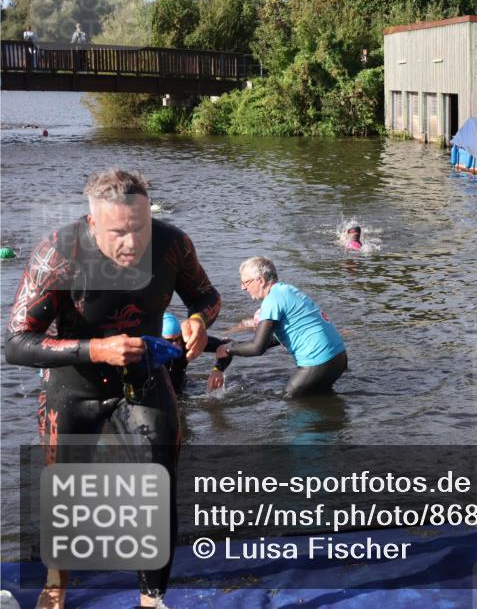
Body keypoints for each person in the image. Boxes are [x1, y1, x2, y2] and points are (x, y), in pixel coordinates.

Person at [5, 170, 220, 609]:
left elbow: (206, 296)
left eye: (139, 228)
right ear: (92, 222)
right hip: (72, 385)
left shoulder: (172, 244)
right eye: (118, 232)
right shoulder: (59, 253)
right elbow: (17, 343)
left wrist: (198, 322)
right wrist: (94, 349)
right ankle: (58, 582)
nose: (131, 243)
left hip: (141, 378)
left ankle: (151, 598)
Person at [218, 257, 346, 398]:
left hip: (317, 362)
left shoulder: (272, 300)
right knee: (320, 400)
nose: (243, 287)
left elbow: (257, 348)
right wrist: (238, 346)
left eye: (246, 282)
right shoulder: (287, 290)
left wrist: (228, 349)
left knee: (290, 402)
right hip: (338, 357)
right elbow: (280, 337)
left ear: (260, 280)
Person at [161, 312, 232, 393]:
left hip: (183, 388)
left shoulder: (186, 343)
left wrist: (218, 370)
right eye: (169, 341)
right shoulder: (149, 350)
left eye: (178, 339)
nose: (176, 345)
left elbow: (225, 347)